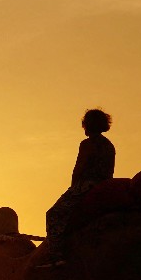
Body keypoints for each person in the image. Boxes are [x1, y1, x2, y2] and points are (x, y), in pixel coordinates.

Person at [40, 109, 116, 267]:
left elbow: (79, 169)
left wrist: (73, 188)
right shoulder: (109, 146)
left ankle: (55, 257)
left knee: (54, 214)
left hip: (86, 186)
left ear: (88, 124)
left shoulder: (87, 144)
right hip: (104, 187)